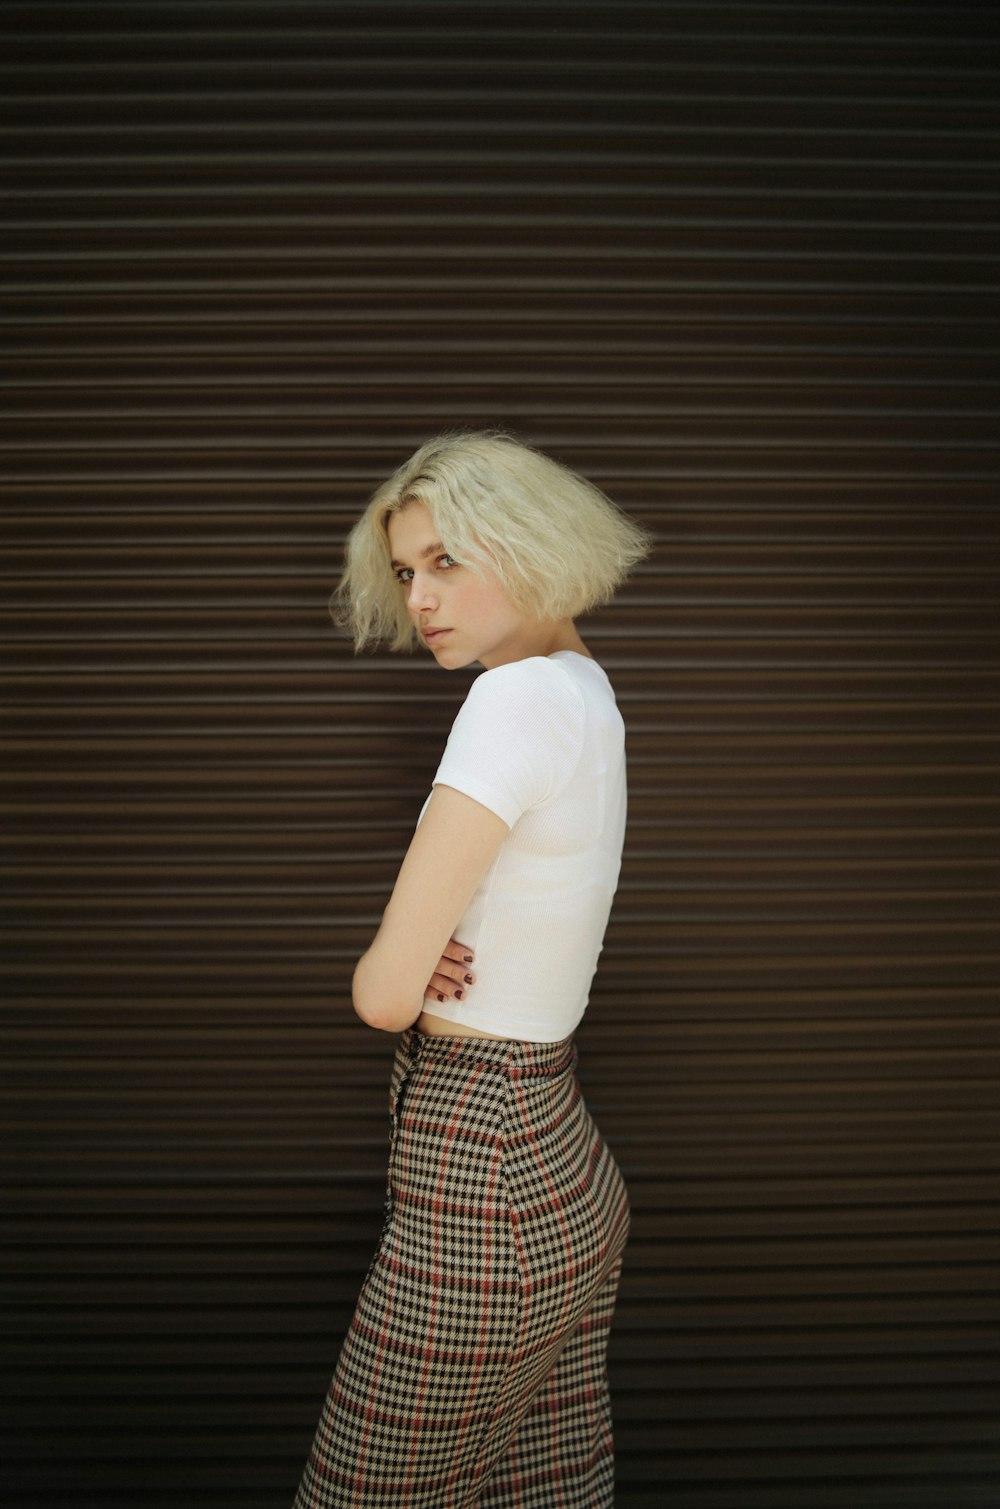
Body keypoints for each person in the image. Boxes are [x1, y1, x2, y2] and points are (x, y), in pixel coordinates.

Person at [292, 430, 652, 1508]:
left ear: (529, 544)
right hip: (556, 1161)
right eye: (406, 573)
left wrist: (395, 953)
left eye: (449, 561)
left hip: (480, 1188)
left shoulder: (511, 700)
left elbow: (382, 996)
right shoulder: (586, 690)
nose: (421, 598)